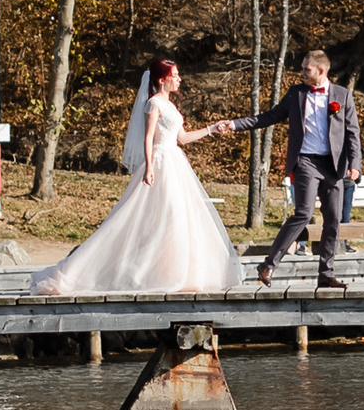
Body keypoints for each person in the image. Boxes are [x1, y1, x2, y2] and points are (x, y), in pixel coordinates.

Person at [29, 61, 238, 295]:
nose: (179, 79)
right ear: (162, 79)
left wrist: (211, 129)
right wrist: (149, 167)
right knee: (163, 215)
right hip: (160, 163)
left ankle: (177, 274)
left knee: (179, 218)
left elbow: (183, 138)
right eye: (175, 75)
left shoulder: (171, 106)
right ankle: (120, 272)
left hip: (175, 162)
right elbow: (148, 137)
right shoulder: (153, 104)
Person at [231, 49, 363, 289]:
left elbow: (353, 133)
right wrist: (234, 124)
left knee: (333, 219)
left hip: (333, 165)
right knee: (303, 212)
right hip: (306, 162)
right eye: (302, 68)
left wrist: (355, 164)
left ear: (321, 71)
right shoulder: (296, 94)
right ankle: (269, 264)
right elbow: (268, 117)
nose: (301, 73)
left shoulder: (342, 96)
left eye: (306, 69)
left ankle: (326, 272)